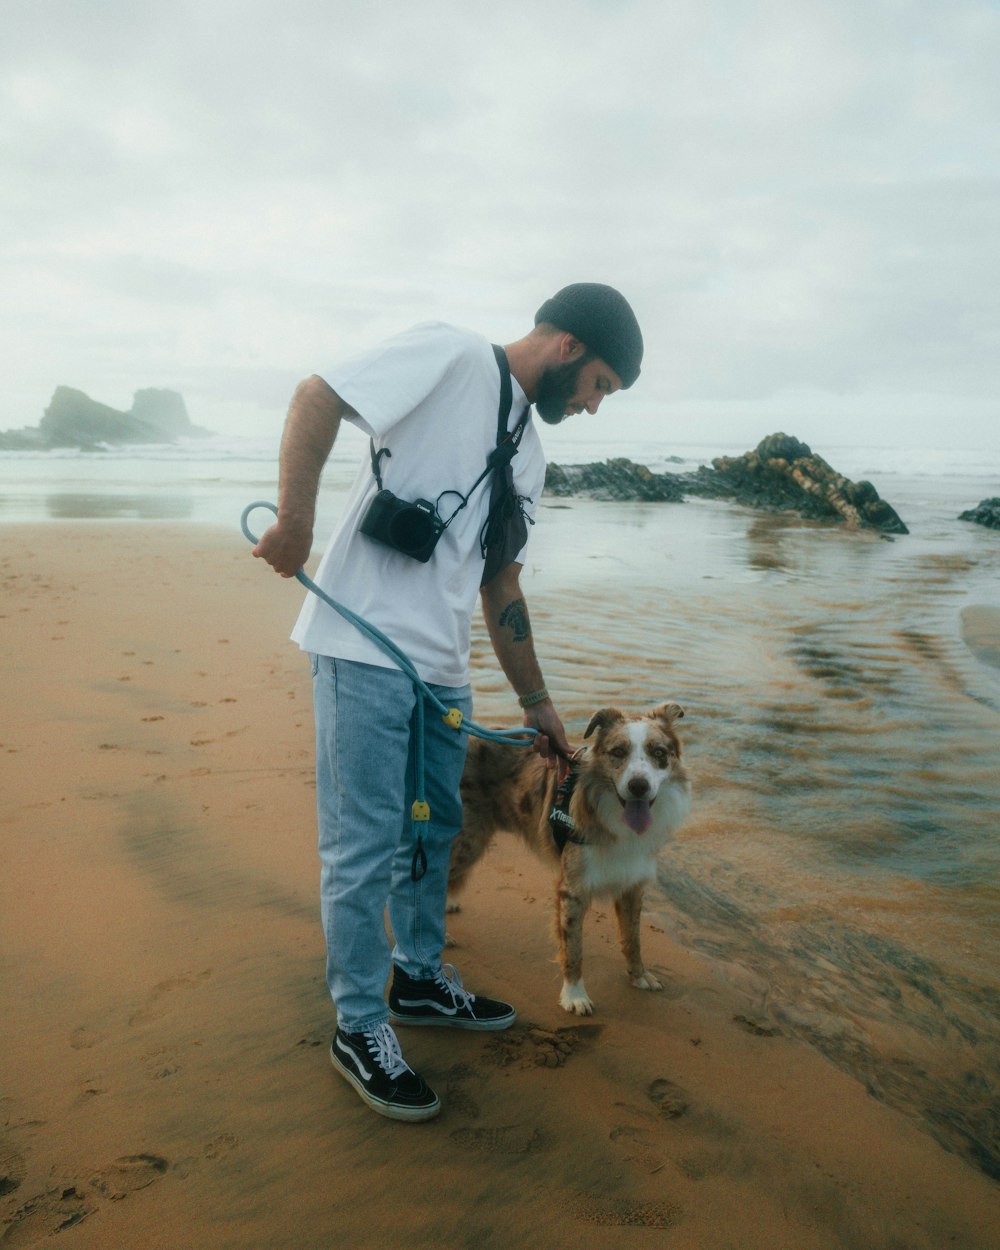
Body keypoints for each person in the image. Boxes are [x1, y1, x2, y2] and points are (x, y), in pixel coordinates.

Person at [253, 283, 643, 1121]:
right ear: (569, 347)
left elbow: (500, 583)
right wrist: (294, 520)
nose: (595, 406)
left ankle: (419, 979)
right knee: (362, 845)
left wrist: (538, 704)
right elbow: (318, 394)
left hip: (440, 669)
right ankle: (358, 1025)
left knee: (432, 830)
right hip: (358, 644)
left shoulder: (530, 455)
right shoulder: (452, 355)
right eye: (601, 385)